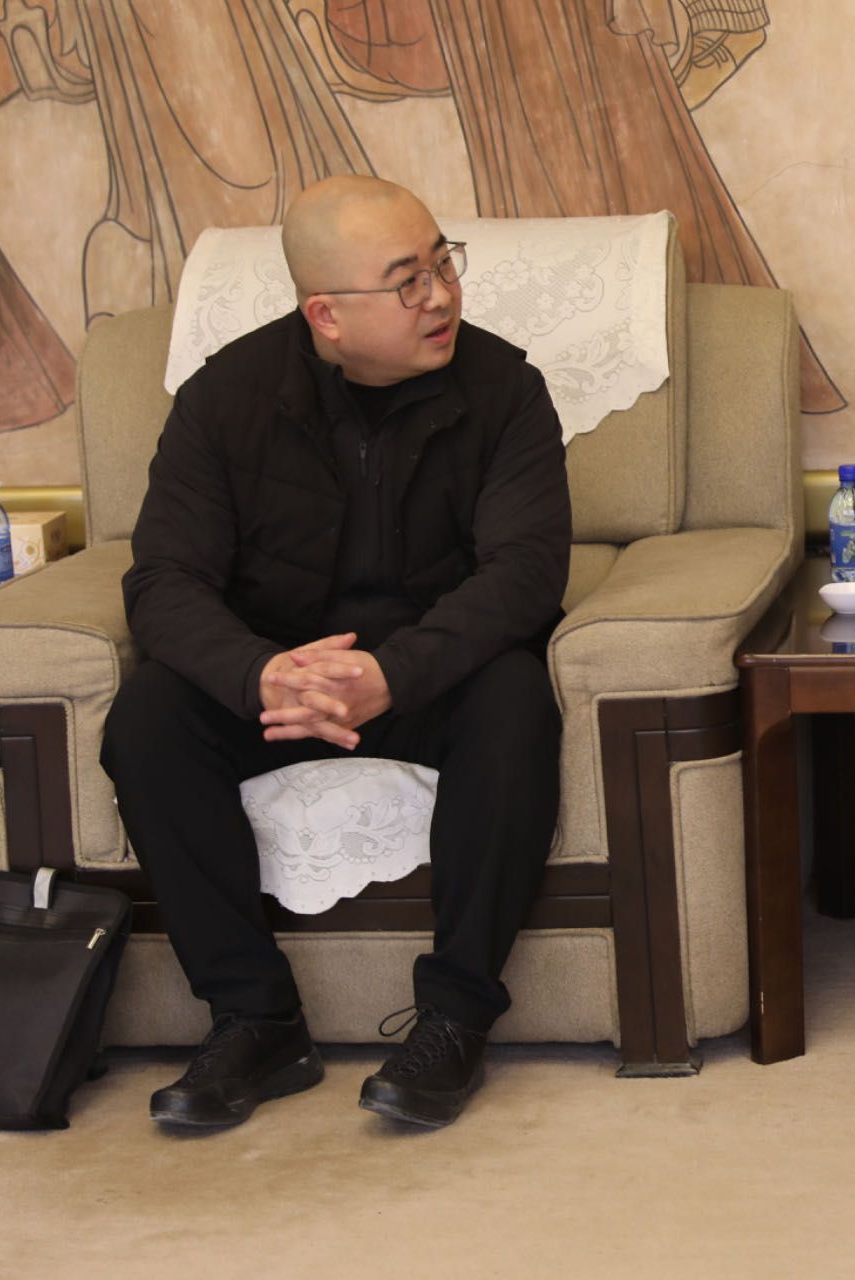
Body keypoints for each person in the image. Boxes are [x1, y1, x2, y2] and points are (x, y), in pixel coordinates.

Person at [100, 175, 571, 1130]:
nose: (440, 295)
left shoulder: (505, 390)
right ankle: (255, 1019)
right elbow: (163, 580)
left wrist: (394, 674)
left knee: (515, 698)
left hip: (430, 678)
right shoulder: (223, 400)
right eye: (407, 282)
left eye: (443, 264)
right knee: (148, 718)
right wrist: (260, 674)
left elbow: (525, 575)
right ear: (326, 314)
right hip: (281, 683)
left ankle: (454, 1018)